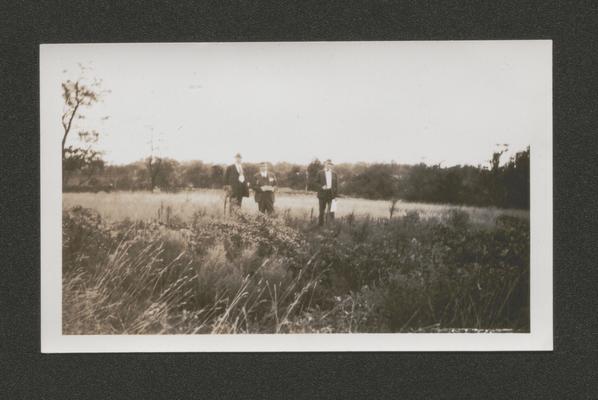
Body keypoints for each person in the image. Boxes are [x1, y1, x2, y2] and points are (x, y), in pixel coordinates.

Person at [316, 159, 338, 225]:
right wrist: (321, 187)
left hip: (331, 194)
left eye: (330, 164)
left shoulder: (334, 174)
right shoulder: (320, 173)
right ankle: (320, 225)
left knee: (331, 211)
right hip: (322, 194)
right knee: (321, 211)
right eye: (328, 164)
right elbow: (316, 183)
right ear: (325, 164)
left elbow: (336, 186)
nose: (329, 165)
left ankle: (330, 225)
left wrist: (336, 196)